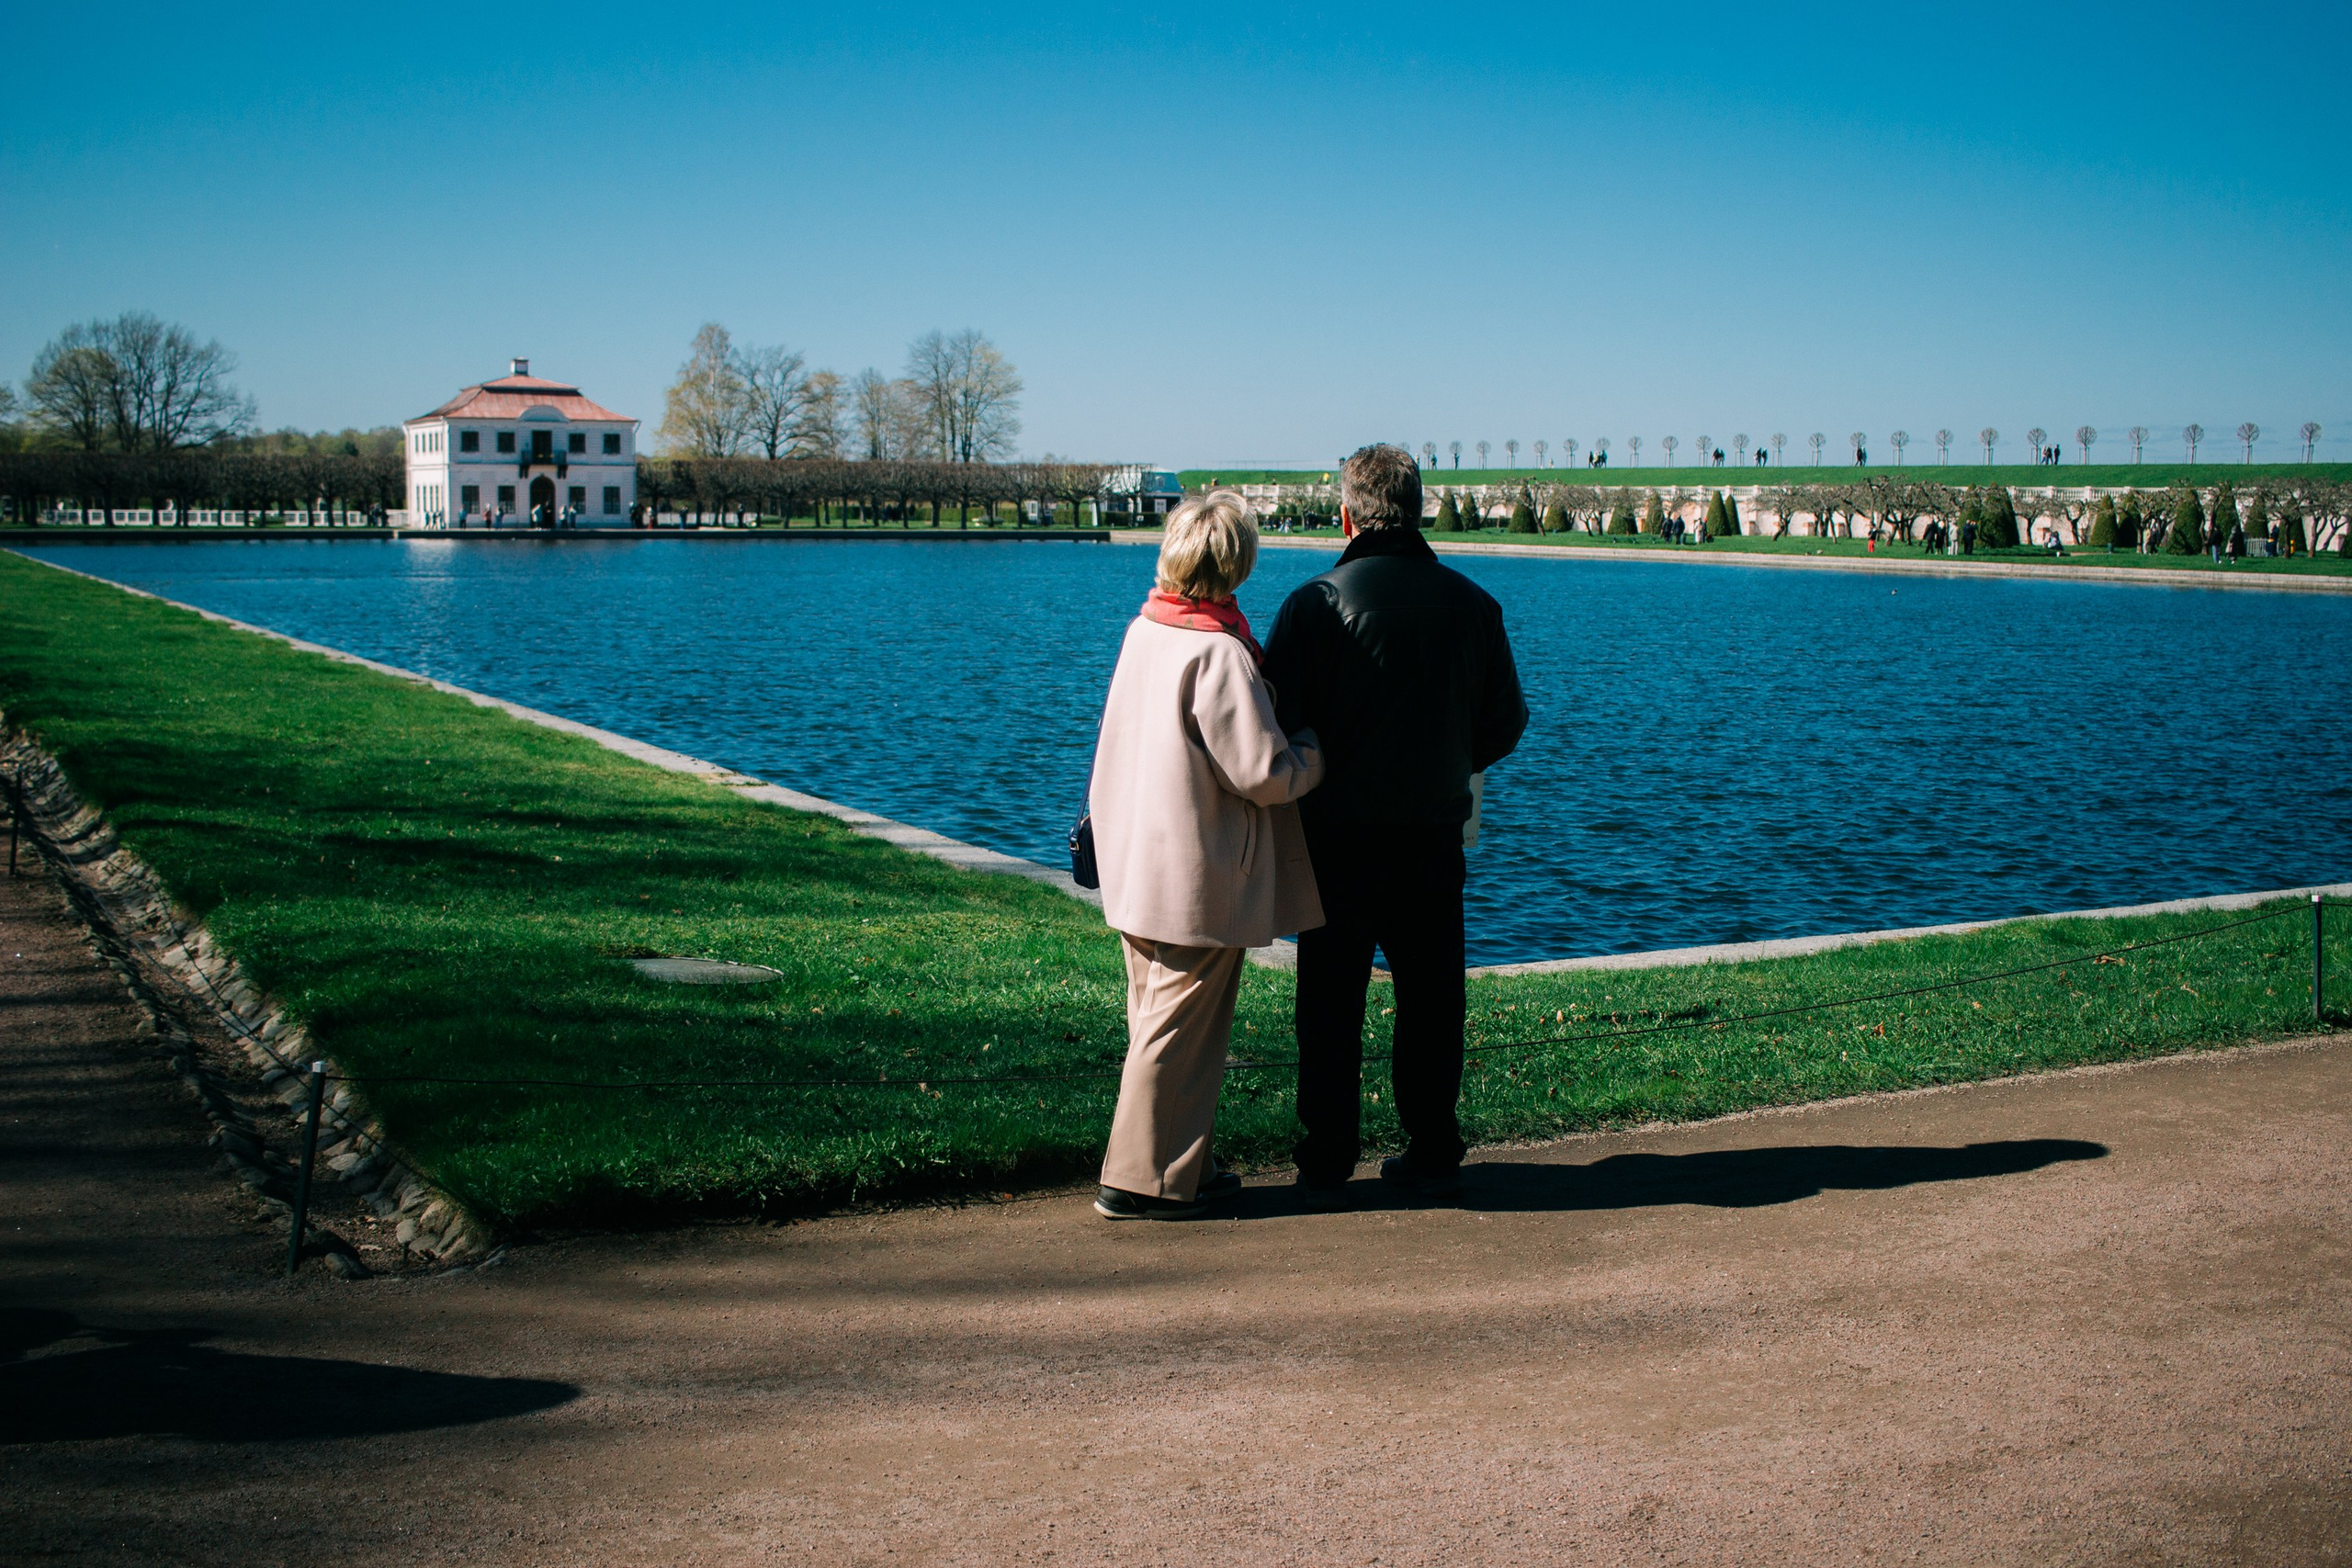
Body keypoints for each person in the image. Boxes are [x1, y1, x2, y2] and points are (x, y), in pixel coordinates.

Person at [1264, 444, 1528, 1208]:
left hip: (1337, 837)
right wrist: (1451, 757)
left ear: (1347, 514)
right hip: (1431, 835)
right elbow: (1505, 723)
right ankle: (1433, 1143)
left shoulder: (1313, 603)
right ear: (1418, 509)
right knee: (1432, 996)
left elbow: (1276, 718)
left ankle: (1326, 1154)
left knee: (1329, 1003)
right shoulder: (1474, 603)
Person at [1088, 491, 1327, 1220]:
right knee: (1180, 1030)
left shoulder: (1146, 630)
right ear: (1238, 563)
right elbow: (1263, 772)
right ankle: (1140, 1178)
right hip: (1196, 871)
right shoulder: (1218, 652)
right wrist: (1315, 753)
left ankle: (1184, 1161)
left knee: (1158, 1021)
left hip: (1134, 858)